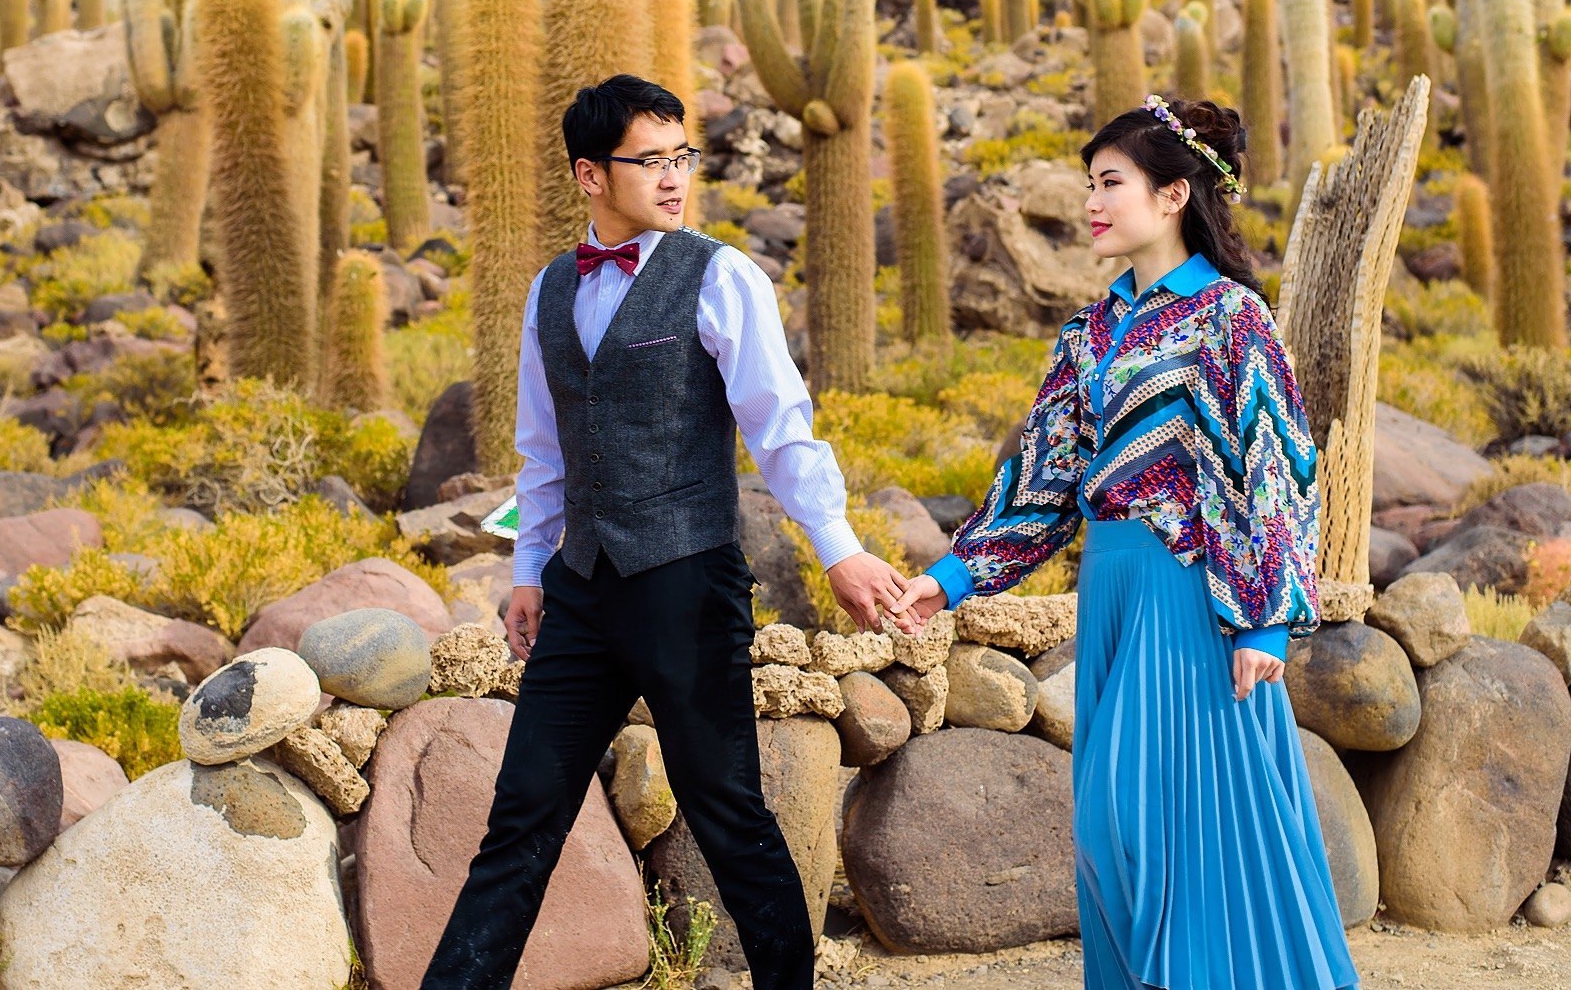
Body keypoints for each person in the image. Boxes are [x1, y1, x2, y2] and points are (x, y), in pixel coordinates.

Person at [422, 74, 909, 989]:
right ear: (588, 174)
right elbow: (543, 451)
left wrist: (836, 544)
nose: (675, 176)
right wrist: (528, 570)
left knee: (726, 809)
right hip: (579, 589)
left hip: (686, 583)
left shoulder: (722, 275)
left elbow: (780, 425)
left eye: (682, 156)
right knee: (522, 810)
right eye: (651, 160)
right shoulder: (551, 288)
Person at [892, 95, 1360, 990]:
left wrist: (1264, 620)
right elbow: (1042, 477)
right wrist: (950, 577)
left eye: (1111, 182)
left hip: (1192, 602)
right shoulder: (1090, 330)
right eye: (1089, 184)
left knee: (1169, 829)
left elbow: (1279, 472)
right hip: (1109, 595)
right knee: (1109, 832)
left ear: (1175, 193)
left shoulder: (1232, 318)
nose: (1092, 203)